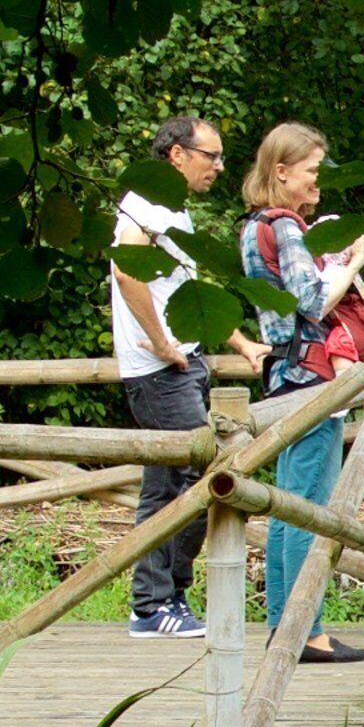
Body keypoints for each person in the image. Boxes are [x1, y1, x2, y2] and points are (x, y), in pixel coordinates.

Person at [240, 121, 364, 664]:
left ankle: (288, 626)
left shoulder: (255, 225)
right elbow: (310, 299)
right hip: (311, 378)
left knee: (288, 506)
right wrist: (352, 264)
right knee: (308, 508)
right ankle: (305, 631)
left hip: (285, 373)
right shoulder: (284, 226)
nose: (318, 184)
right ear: (281, 172)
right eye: (311, 173)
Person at [112, 114, 264, 638]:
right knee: (193, 480)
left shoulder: (174, 212)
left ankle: (163, 600)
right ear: (177, 154)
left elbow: (182, 292)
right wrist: (159, 342)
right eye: (211, 156)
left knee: (178, 482)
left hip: (182, 365)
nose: (219, 167)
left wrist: (241, 343)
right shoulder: (145, 205)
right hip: (158, 370)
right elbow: (127, 270)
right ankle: (153, 605)